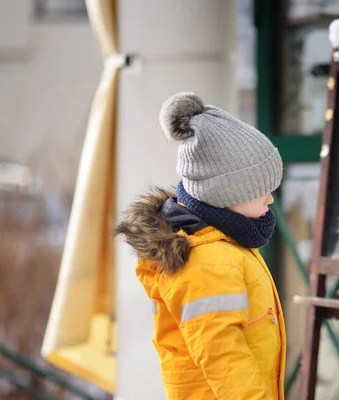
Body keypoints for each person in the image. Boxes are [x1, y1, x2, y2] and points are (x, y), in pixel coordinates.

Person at [116, 92, 286, 399]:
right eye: (261, 190)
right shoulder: (206, 259)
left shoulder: (226, 241)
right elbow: (223, 355)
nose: (270, 198)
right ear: (226, 194)